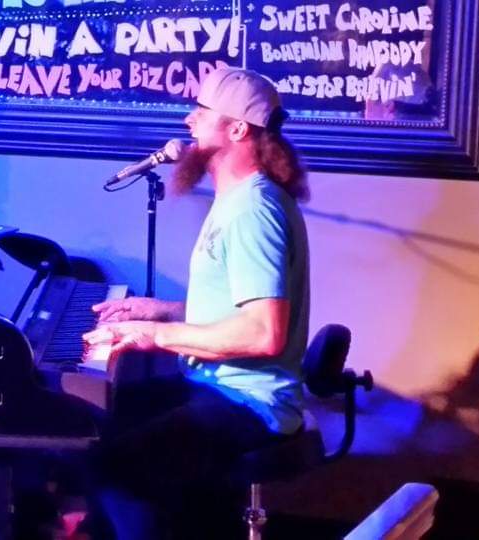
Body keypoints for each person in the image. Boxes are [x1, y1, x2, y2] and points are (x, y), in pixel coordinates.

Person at [81, 67, 310, 539]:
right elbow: (236, 310)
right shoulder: (241, 199)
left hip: (250, 403)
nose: (189, 120)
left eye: (202, 112)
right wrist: (159, 310)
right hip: (220, 387)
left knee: (116, 468)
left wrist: (156, 335)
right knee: (96, 425)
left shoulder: (253, 210)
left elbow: (263, 333)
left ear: (237, 129)